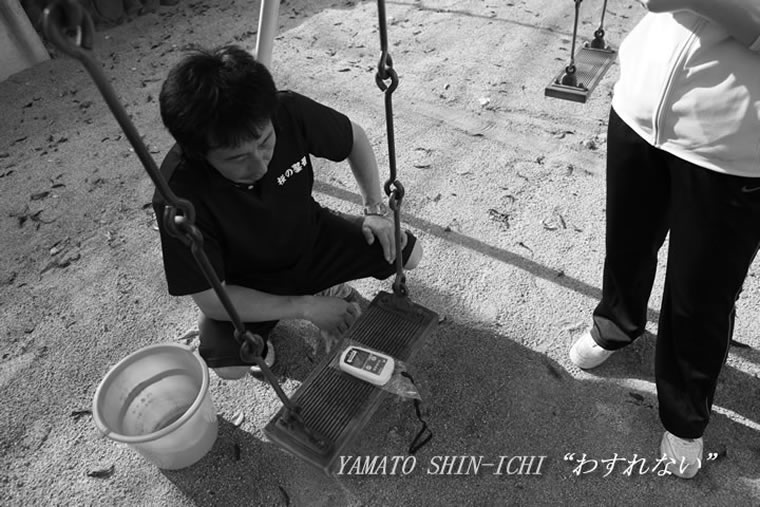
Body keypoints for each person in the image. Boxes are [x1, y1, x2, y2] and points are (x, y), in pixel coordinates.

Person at [569, 0, 760, 479]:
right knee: (628, 242)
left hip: (734, 147)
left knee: (702, 292)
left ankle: (684, 413)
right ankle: (616, 323)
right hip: (639, 107)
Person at [153, 45, 423, 380]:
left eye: (265, 142)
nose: (259, 165)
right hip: (249, 281)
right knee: (230, 366)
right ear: (199, 153)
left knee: (408, 253)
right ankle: (276, 329)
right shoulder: (178, 196)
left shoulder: (288, 111)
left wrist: (374, 210)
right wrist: (305, 308)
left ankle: (325, 284)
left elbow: (354, 138)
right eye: (237, 158)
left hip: (311, 236)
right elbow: (211, 299)